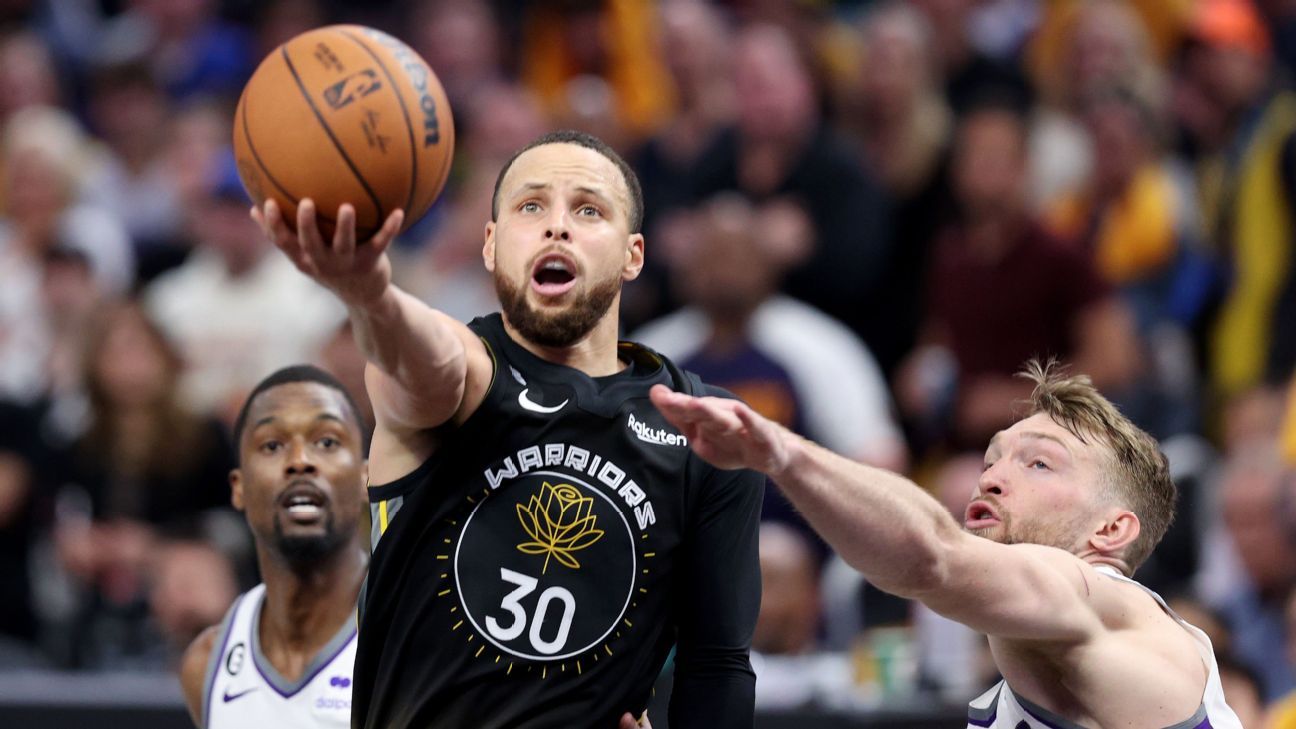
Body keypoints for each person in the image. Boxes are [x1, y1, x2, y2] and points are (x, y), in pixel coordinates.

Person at [254, 129, 763, 729]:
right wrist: (371, 293)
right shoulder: (463, 371)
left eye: (588, 210)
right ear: (492, 245)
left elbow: (719, 663)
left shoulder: (699, 424)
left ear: (633, 255)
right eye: (531, 206)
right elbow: (420, 357)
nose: (557, 226)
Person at [649, 360, 1244, 728]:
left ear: (1110, 530)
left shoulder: (1105, 599)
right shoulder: (1030, 675)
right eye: (993, 459)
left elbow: (932, 558)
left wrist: (779, 453)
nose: (992, 477)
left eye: (1039, 463)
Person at [177, 365, 370, 728]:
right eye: (272, 445)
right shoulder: (207, 664)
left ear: (365, 479)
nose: (300, 461)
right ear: (238, 487)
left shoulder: (416, 645)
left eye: (327, 442)